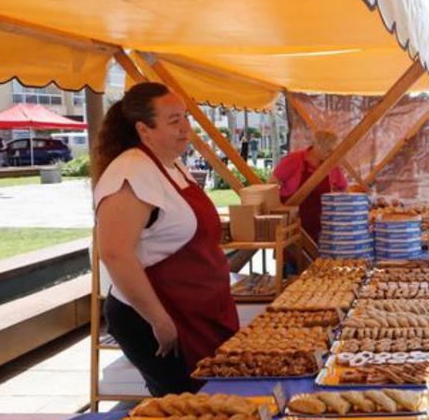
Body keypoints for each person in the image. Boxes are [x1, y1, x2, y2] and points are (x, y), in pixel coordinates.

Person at [93, 82, 240, 396]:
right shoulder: (130, 172)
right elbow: (115, 253)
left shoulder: (170, 166)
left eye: (185, 118)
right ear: (144, 129)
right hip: (163, 317)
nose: (185, 128)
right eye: (174, 121)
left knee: (213, 399)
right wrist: (159, 321)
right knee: (186, 409)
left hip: (197, 312)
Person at [272, 130, 349, 244]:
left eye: (333, 151)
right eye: (328, 150)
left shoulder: (331, 165)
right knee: (292, 258)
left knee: (317, 257)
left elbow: (344, 189)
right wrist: (278, 210)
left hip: (320, 224)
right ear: (317, 147)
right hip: (292, 224)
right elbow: (272, 183)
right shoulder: (294, 160)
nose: (331, 154)